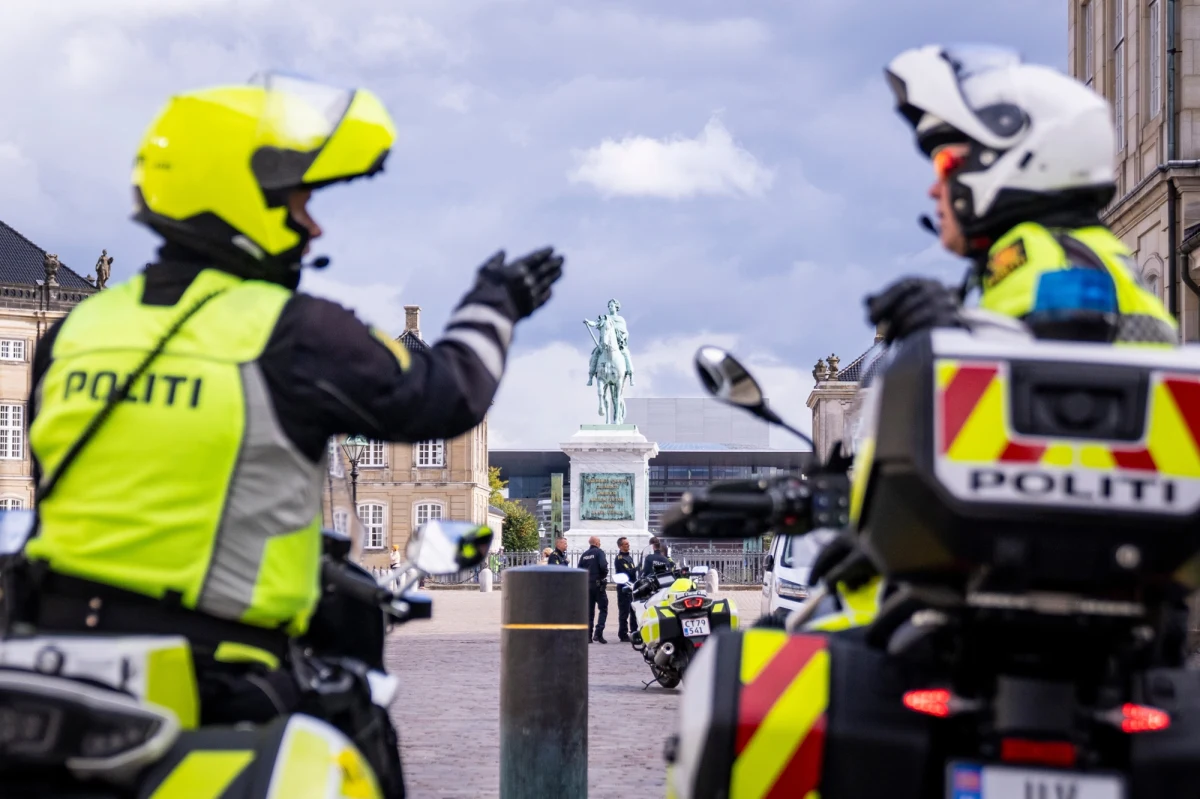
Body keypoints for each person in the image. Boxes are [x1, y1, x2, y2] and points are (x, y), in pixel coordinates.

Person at [7, 72, 564, 799]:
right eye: (300, 200)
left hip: (49, 666)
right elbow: (448, 393)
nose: (314, 224)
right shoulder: (286, 330)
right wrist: (496, 303)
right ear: (246, 197)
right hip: (217, 674)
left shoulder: (78, 331)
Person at [810, 44, 1179, 635]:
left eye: (946, 167)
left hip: (1022, 585)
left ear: (1013, 165)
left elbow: (1043, 409)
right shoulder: (1090, 257)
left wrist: (951, 334)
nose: (936, 191)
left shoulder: (1043, 261)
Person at [577, 536, 609, 643]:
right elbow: (603, 566)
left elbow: (579, 570)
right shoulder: (599, 552)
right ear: (596, 543)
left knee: (589, 612)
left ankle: (588, 637)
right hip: (598, 585)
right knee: (603, 609)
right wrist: (602, 576)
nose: (600, 544)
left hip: (587, 585)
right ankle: (598, 633)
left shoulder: (584, 555)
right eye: (599, 542)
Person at [613, 537, 638, 642]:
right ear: (620, 546)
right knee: (624, 612)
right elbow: (627, 573)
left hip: (632, 587)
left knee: (633, 611)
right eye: (626, 544)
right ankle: (623, 634)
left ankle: (634, 631)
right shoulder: (620, 559)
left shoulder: (629, 557)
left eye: (628, 544)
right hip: (624, 588)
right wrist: (638, 568)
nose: (628, 546)